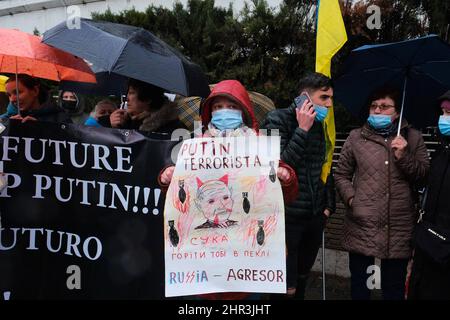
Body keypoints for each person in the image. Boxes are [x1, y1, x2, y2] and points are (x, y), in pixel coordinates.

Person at [159, 79, 299, 300]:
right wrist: (167, 177)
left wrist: (286, 176)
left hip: (249, 266)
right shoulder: (196, 146)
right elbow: (179, 197)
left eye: (232, 106)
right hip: (205, 264)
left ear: (243, 111)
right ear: (209, 113)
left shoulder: (260, 145)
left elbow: (288, 195)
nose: (225, 112)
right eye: (218, 107)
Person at [334, 86, 430, 300]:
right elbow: (341, 174)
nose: (377, 111)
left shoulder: (413, 138)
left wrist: (404, 156)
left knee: (393, 289)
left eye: (385, 107)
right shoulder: (356, 137)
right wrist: (352, 199)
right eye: (374, 106)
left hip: (399, 228)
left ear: (397, 112)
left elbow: (424, 176)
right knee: (361, 287)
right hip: (361, 226)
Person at [261, 72, 336, 299]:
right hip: (286, 218)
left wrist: (327, 207)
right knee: (285, 287)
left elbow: (323, 168)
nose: (330, 104)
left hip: (313, 217)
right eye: (324, 97)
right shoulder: (276, 119)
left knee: (303, 278)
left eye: (331, 98)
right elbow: (277, 168)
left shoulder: (319, 126)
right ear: (305, 98)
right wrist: (302, 129)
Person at [408, 91, 450, 300]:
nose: (444, 118)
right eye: (443, 112)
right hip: (428, 246)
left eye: (449, 113)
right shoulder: (441, 152)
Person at [108, 78, 186, 135]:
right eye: (127, 93)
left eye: (131, 93)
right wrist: (116, 127)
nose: (127, 98)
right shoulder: (128, 121)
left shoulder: (172, 130)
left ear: (148, 98)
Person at [5, 74, 71, 123]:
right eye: (9, 95)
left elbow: (73, 139)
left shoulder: (60, 118)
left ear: (35, 91)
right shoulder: (5, 119)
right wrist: (8, 127)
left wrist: (40, 128)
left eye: (17, 92)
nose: (12, 99)